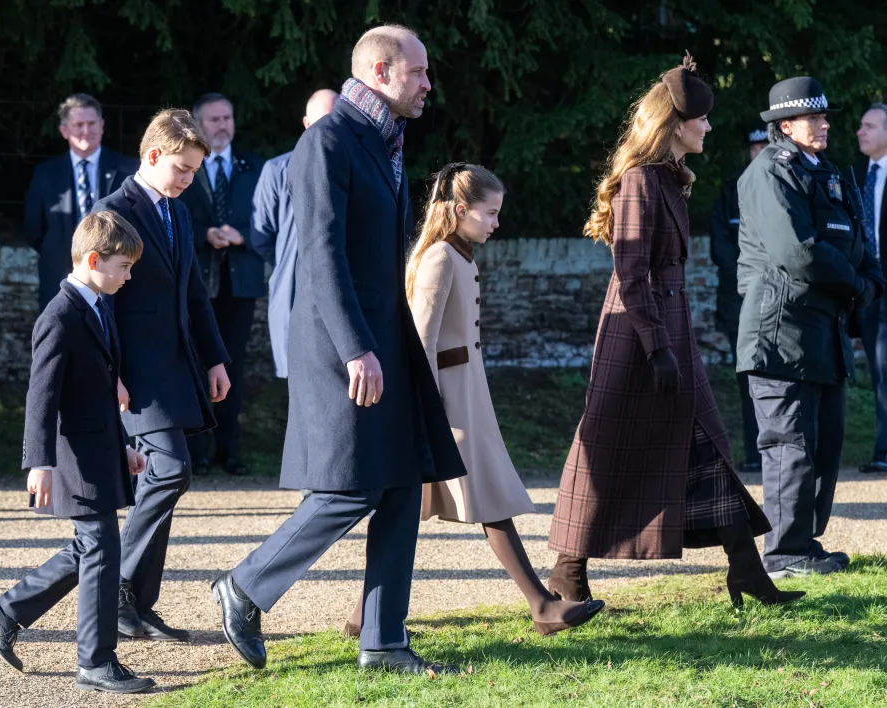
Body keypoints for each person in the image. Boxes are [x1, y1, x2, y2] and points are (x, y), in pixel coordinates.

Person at [211, 25, 466, 677]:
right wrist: (356, 348)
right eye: (418, 72)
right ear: (380, 72)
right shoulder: (326, 141)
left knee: (403, 480)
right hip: (341, 344)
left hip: (385, 339)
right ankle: (244, 586)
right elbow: (320, 255)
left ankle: (383, 643)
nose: (428, 84)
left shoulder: (384, 140)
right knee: (352, 487)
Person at [549, 56, 803, 610]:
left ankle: (747, 571)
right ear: (674, 125)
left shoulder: (669, 178)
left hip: (667, 333)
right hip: (638, 339)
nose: (708, 127)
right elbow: (631, 272)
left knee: (709, 444)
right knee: (605, 449)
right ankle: (566, 574)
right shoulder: (641, 180)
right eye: (701, 119)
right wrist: (657, 347)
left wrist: (669, 342)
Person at [341, 163, 606, 637]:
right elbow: (421, 342)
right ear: (461, 210)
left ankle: (363, 619)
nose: (496, 223)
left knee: (421, 504)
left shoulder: (460, 256)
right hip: (448, 404)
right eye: (490, 213)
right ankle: (541, 606)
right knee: (471, 498)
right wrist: (425, 412)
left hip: (466, 396)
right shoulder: (441, 258)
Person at [0, 211, 155, 694]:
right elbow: (42, 395)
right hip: (73, 455)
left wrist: (123, 446)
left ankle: (6, 609)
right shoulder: (59, 316)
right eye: (123, 266)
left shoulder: (97, 305)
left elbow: (96, 391)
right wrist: (40, 461)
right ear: (93, 260)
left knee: (90, 546)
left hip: (99, 449)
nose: (128, 276)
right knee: (101, 548)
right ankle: (95, 662)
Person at [737, 77, 885, 578]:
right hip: (781, 331)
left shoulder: (826, 171)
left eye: (825, 116)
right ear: (785, 126)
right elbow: (797, 251)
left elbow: (857, 240)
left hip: (823, 329)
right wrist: (857, 286)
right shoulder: (770, 172)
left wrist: (870, 281)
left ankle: (804, 544)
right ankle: (783, 555)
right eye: (814, 117)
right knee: (789, 443)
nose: (825, 124)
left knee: (824, 443)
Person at [93, 108, 231, 642]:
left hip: (174, 368)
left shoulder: (179, 212)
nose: (190, 179)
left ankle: (136, 604)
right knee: (171, 471)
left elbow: (193, 292)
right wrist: (111, 374)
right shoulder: (112, 211)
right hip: (133, 374)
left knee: (166, 478)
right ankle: (117, 590)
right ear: (153, 155)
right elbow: (98, 303)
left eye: (195, 170)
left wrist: (215, 358)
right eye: (183, 168)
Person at [180, 93, 265, 476]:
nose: (222, 125)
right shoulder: (187, 165)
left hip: (239, 283)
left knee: (233, 365)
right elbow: (175, 213)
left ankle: (229, 450)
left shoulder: (253, 167)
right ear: (198, 124)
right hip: (198, 281)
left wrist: (241, 236)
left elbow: (270, 220)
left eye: (227, 118)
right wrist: (204, 235)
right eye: (214, 119)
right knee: (197, 363)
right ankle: (197, 450)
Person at [251, 89, 338, 379]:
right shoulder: (277, 169)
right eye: (324, 121)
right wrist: (292, 264)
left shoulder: (356, 168)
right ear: (306, 123)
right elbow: (261, 236)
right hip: (292, 292)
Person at [24, 93, 138, 312]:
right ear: (64, 130)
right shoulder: (46, 174)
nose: (86, 130)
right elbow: (33, 230)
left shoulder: (128, 170)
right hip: (59, 279)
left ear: (102, 126)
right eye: (78, 125)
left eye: (91, 123)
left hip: (117, 283)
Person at [709, 126, 768, 473]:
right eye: (753, 146)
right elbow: (720, 247)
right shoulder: (731, 190)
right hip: (739, 302)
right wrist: (751, 279)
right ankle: (755, 453)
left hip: (776, 300)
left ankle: (782, 451)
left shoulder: (785, 186)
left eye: (764, 145)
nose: (758, 151)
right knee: (747, 378)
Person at [854, 102, 887, 474]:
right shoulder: (855, 174)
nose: (860, 132)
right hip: (868, 290)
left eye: (870, 126)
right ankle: (883, 449)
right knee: (878, 369)